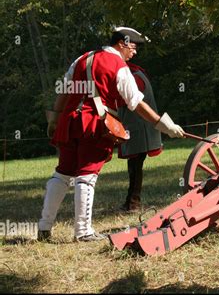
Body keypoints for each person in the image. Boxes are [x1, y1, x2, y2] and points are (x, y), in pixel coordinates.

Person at [39, 27, 185, 242]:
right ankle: (83, 232)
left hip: (68, 122)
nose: (134, 53)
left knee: (62, 173)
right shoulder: (118, 65)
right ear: (123, 43)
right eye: (133, 48)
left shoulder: (83, 58)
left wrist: (54, 120)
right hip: (93, 124)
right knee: (86, 175)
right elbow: (135, 103)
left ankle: (44, 228)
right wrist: (162, 124)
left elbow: (63, 92)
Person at [118, 62, 163, 211]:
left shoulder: (134, 78)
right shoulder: (136, 74)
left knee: (136, 167)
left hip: (139, 128)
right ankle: (130, 201)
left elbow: (127, 100)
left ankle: (134, 203)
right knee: (134, 166)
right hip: (138, 127)